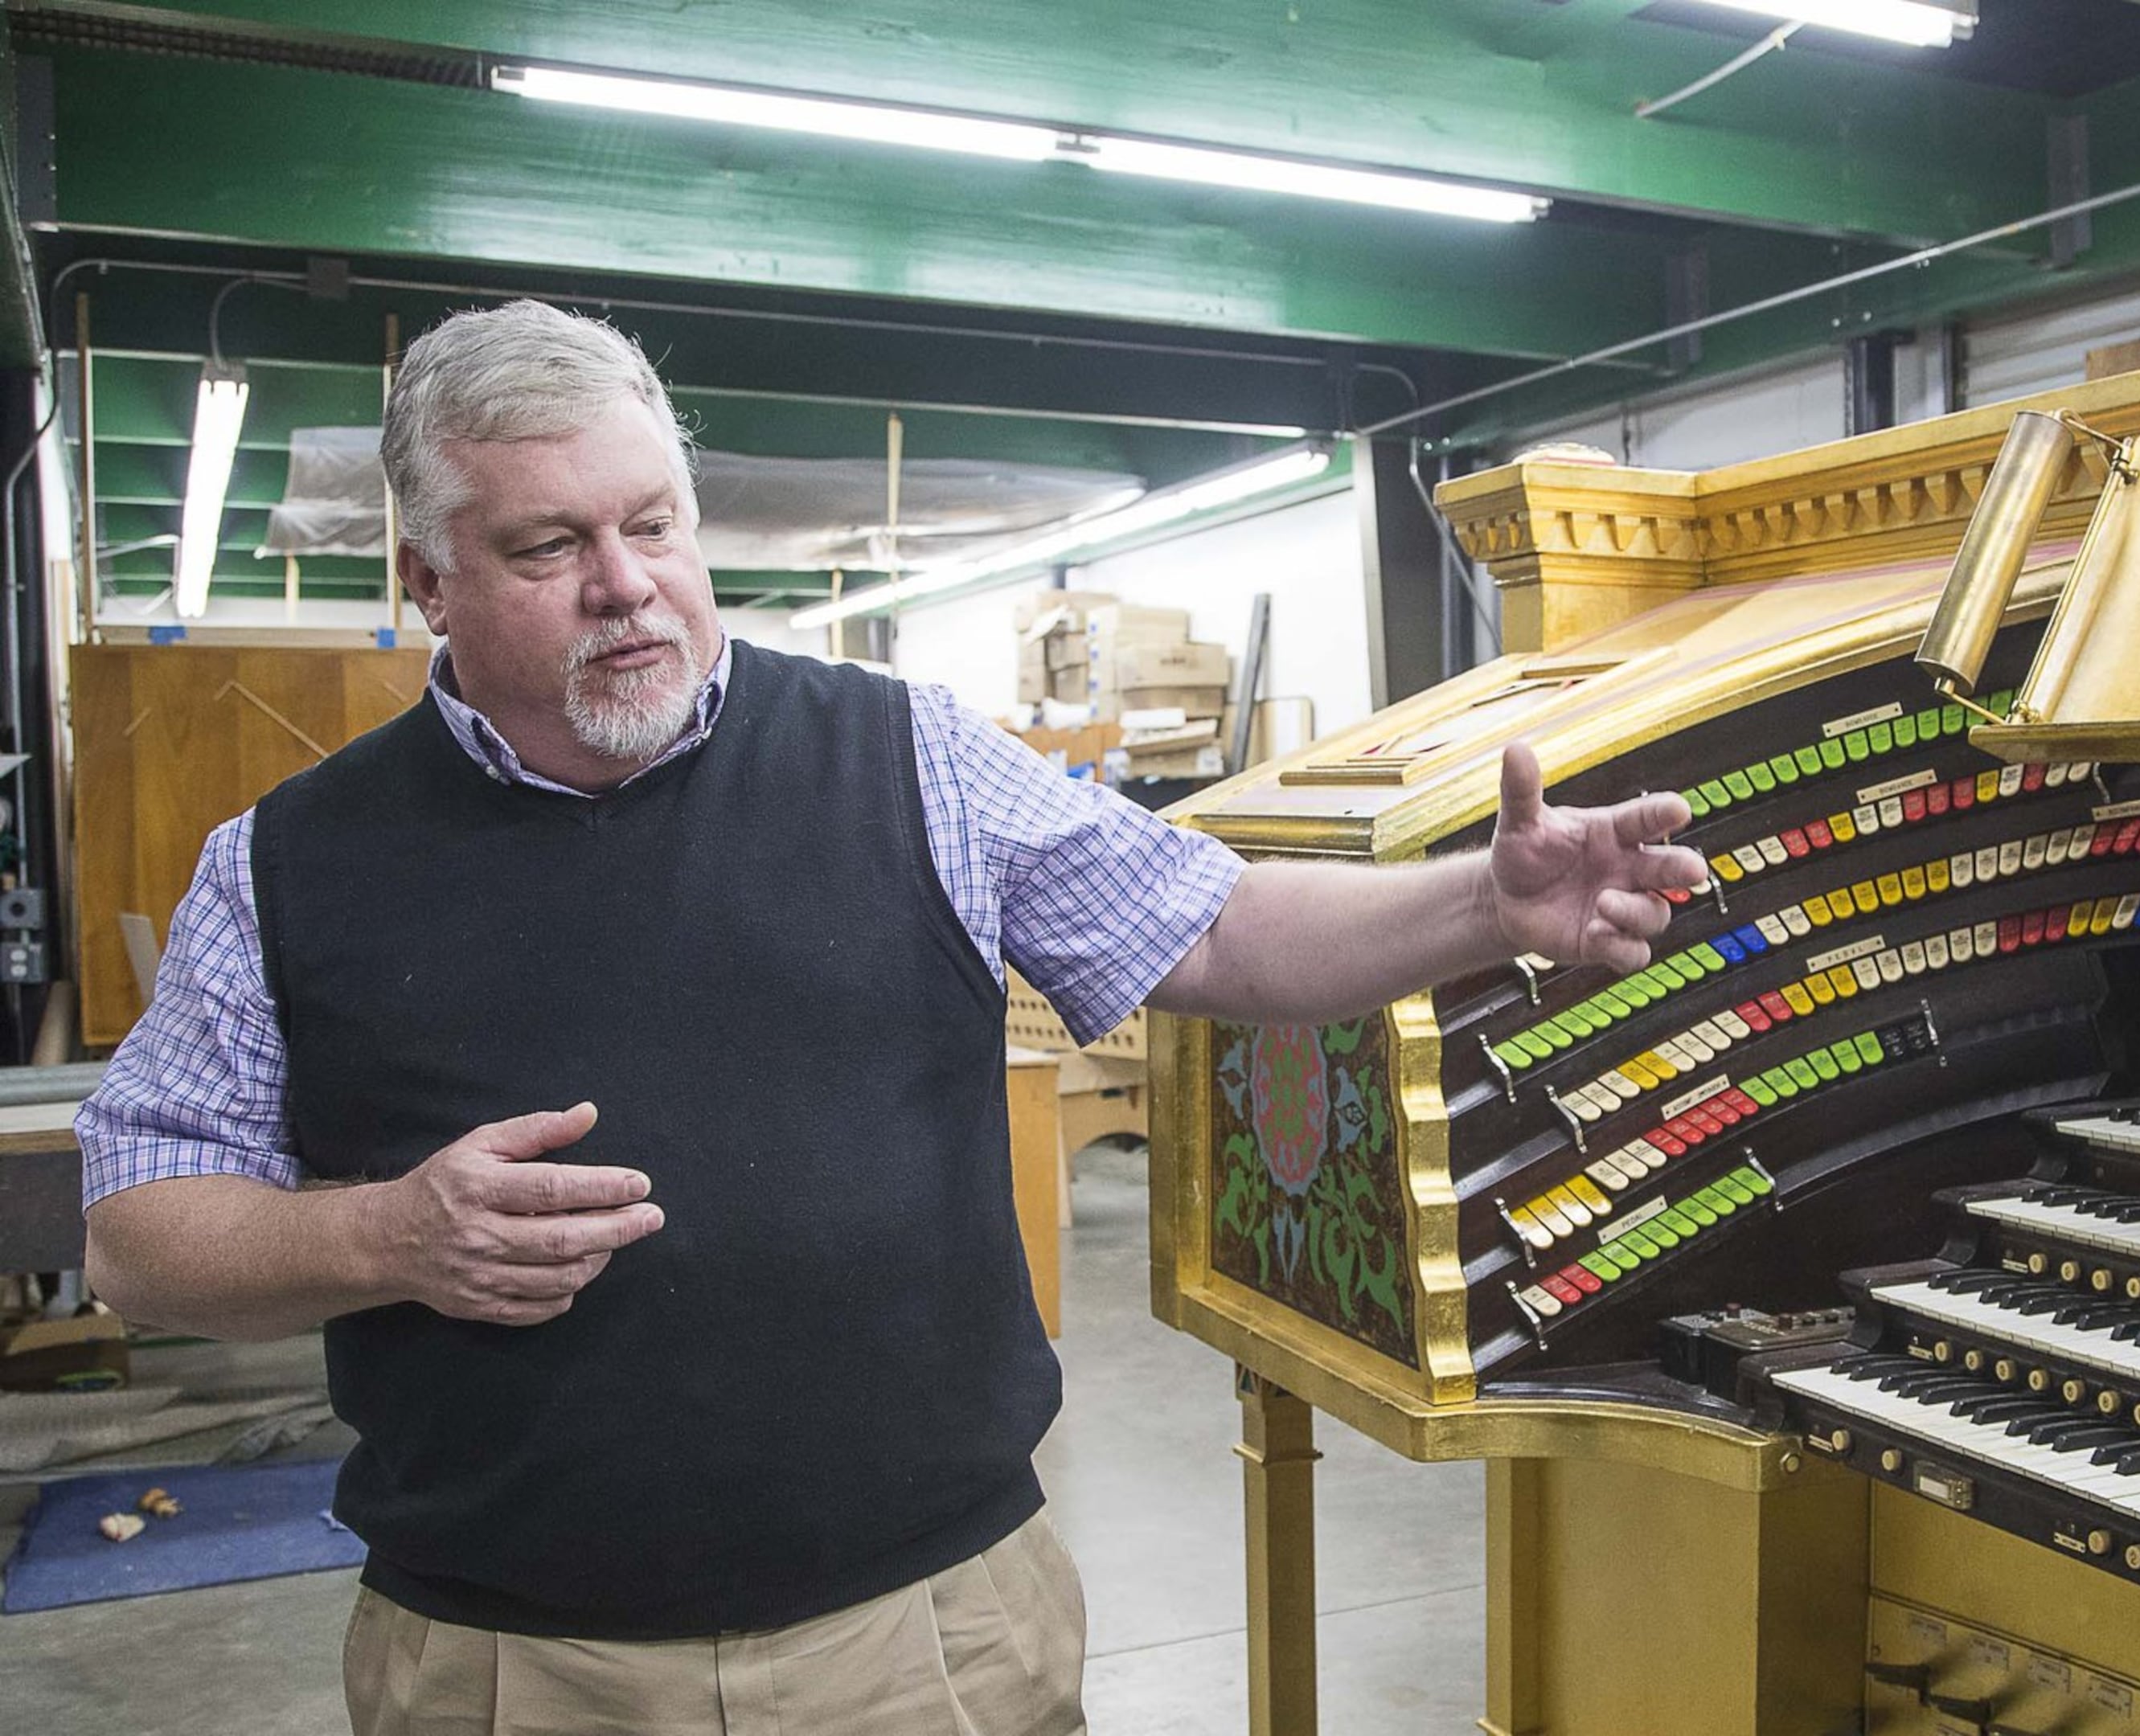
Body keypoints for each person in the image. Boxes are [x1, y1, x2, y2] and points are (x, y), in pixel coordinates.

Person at [76, 300, 1704, 1736]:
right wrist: (386, 1239)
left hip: (925, 1644)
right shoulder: (288, 865)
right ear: (427, 575)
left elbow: (1217, 924)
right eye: (548, 548)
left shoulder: (904, 756)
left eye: (655, 526)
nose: (628, 587)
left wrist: (1485, 911)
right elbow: (141, 1237)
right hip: (510, 1672)